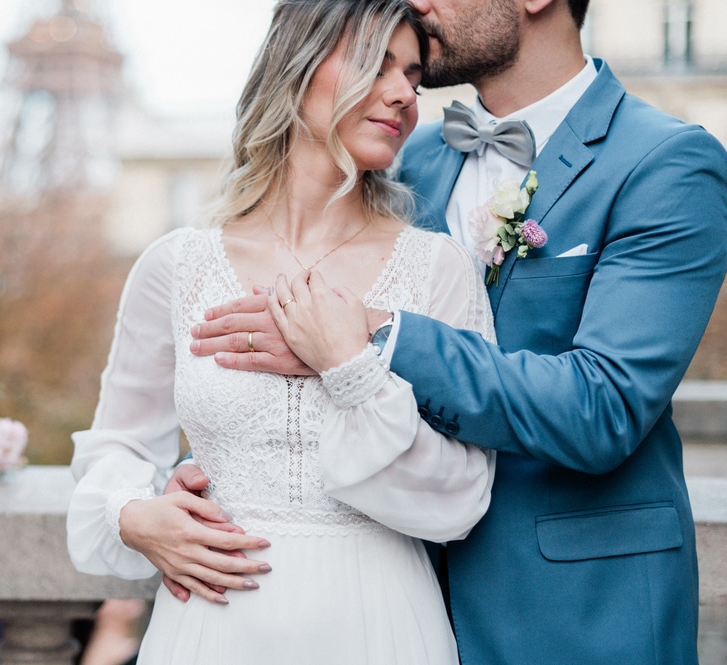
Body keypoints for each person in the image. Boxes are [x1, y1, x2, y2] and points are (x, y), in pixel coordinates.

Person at [186, 0, 727, 663]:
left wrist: (378, 335)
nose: (416, 4)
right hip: (389, 606)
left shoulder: (667, 163)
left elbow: (604, 405)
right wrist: (182, 490)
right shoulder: (400, 157)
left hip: (578, 613)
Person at [66, 1, 497, 663]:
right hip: (210, 626)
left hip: (381, 624)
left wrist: (348, 363)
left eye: (412, 74)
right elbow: (117, 445)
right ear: (293, 69)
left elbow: (460, 496)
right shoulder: (175, 267)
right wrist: (133, 513)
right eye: (374, 63)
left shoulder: (439, 268)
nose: (403, 94)